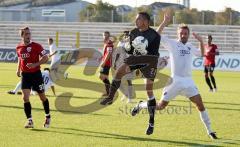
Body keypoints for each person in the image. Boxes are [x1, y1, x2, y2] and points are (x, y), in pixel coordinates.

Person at [131, 14, 218, 139]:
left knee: (200, 105)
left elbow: (201, 55)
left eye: (185, 33)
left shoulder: (190, 47)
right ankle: (141, 105)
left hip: (188, 82)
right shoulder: (172, 44)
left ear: (188, 34)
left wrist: (201, 41)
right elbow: (156, 35)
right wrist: (165, 22)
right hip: (174, 81)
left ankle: (210, 131)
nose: (183, 35)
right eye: (181, 33)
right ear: (178, 34)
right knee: (160, 106)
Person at [100, 12, 161, 135]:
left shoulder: (154, 35)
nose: (135, 21)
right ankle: (110, 97)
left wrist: (139, 54)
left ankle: (151, 123)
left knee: (149, 92)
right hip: (136, 59)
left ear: (145, 21)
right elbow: (131, 50)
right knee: (118, 72)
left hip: (150, 62)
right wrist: (128, 46)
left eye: (137, 19)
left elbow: (153, 55)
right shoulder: (133, 32)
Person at [16, 26, 51, 128]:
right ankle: (30, 120)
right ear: (22, 36)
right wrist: (18, 69)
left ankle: (48, 116)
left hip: (36, 74)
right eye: (26, 34)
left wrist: (35, 64)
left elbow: (45, 58)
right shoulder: (18, 47)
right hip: (25, 75)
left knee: (42, 97)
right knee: (25, 98)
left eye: (29, 33)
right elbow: (20, 59)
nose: (28, 35)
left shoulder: (37, 46)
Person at [112, 31, 135, 103]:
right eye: (125, 35)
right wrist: (115, 62)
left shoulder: (132, 43)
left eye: (128, 35)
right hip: (120, 63)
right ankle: (126, 94)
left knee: (128, 80)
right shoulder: (121, 42)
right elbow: (117, 53)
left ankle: (130, 98)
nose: (126, 36)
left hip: (129, 63)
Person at [99, 31, 114, 97]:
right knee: (105, 77)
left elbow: (109, 53)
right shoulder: (106, 43)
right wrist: (101, 59)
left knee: (101, 76)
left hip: (107, 63)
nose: (105, 36)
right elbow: (105, 53)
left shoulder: (109, 43)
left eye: (106, 35)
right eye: (104, 35)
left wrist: (104, 62)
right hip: (105, 62)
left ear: (109, 36)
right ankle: (108, 92)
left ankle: (110, 90)